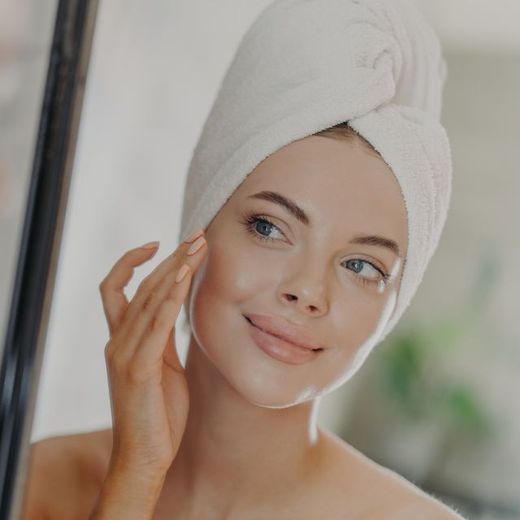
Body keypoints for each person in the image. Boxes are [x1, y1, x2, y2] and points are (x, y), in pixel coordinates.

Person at [22, 0, 466, 518]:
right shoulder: (42, 481)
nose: (308, 290)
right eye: (269, 228)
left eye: (362, 266)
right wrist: (136, 473)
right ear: (200, 223)